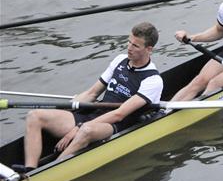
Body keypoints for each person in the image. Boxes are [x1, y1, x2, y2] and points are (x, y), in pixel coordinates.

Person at [18, 23, 163, 173]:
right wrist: (64, 107)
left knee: (86, 130)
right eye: (129, 42)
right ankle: (29, 169)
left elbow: (118, 114)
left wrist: (77, 128)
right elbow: (92, 93)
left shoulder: (152, 80)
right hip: (94, 114)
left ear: (149, 49)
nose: (129, 48)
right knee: (35, 116)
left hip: (115, 125)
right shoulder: (120, 60)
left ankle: (48, 173)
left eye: (136, 46)